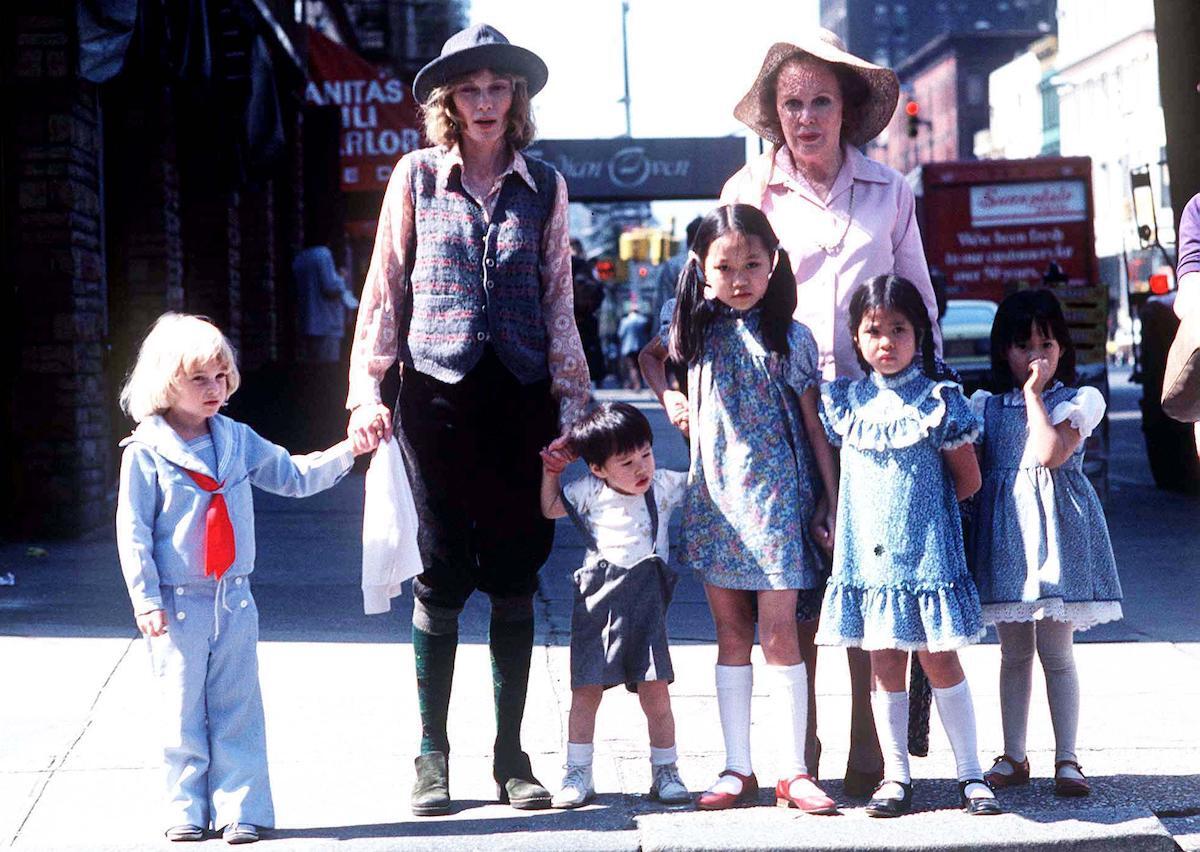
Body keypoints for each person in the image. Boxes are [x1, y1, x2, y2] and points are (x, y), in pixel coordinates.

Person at [344, 24, 591, 816]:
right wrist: (366, 394)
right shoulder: (415, 178)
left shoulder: (545, 185)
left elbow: (559, 302)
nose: (486, 102)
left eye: (500, 87)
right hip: (436, 402)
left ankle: (512, 755)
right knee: (441, 571)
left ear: (517, 98)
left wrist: (575, 409)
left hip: (520, 401)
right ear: (448, 99)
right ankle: (431, 754)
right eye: (471, 88)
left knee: (517, 572)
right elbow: (383, 291)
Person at [721, 27, 943, 796]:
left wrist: (933, 403)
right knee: (793, 588)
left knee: (871, 577)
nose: (806, 117)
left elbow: (920, 302)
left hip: (875, 416)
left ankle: (872, 745)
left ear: (848, 108)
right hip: (772, 419)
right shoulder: (744, 193)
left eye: (820, 100)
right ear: (773, 114)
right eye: (791, 103)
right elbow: (712, 303)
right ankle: (798, 749)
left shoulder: (891, 191)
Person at [115, 313, 375, 845]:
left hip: (233, 599)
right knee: (181, 709)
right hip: (178, 600)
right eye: (199, 379)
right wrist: (145, 599)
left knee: (238, 707)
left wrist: (350, 450)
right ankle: (184, 806)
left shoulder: (237, 440)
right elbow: (134, 532)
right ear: (166, 383)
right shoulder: (145, 453)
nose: (215, 389)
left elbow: (295, 476)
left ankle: (242, 808)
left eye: (221, 376)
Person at [663, 204, 839, 814]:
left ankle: (793, 770)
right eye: (725, 266)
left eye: (753, 264)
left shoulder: (792, 337)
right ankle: (738, 767)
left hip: (779, 505)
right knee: (730, 636)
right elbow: (654, 359)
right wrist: (672, 398)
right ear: (701, 268)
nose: (740, 278)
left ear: (775, 264)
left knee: (780, 633)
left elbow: (815, 428)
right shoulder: (693, 328)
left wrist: (832, 500)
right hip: (714, 503)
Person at [815, 276, 1000, 818]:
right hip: (868, 560)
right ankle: (896, 776)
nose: (886, 342)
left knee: (940, 660)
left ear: (920, 334)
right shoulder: (845, 402)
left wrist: (931, 520)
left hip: (927, 555)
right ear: (856, 337)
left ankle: (969, 773)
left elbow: (968, 480)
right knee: (884, 664)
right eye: (874, 331)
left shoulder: (939, 401)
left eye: (899, 329)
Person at [969, 289, 1123, 798]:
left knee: (1057, 652)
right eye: (1022, 345)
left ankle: (1067, 758)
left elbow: (1048, 453)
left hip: (1059, 536)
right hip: (1008, 536)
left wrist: (1035, 395)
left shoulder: (1079, 401)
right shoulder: (985, 405)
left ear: (1063, 348)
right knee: (1013, 653)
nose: (1036, 355)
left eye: (1047, 343)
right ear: (1002, 351)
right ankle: (1013, 755)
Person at [539, 402, 689, 808]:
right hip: (597, 604)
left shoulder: (663, 487)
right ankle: (578, 772)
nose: (642, 468)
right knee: (586, 691)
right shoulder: (589, 492)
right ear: (598, 468)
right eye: (626, 462)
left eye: (646, 454)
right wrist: (551, 471)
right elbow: (551, 508)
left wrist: (691, 432)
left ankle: (666, 770)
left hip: (647, 604)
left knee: (655, 693)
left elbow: (705, 481)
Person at [293, 243, 359, 363]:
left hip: (309, 324)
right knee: (327, 368)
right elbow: (330, 287)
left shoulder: (302, 257)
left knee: (311, 366)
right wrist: (342, 277)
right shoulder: (323, 254)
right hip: (326, 325)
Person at [618, 307, 652, 389]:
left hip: (629, 348)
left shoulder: (625, 321)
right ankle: (648, 384)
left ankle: (637, 385)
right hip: (641, 346)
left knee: (633, 367)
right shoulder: (644, 320)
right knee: (642, 366)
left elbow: (620, 334)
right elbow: (648, 333)